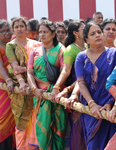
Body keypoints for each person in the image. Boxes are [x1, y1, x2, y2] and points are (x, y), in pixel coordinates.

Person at [75, 21, 116, 150]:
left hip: (110, 109)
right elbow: (81, 82)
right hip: (91, 110)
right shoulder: (81, 57)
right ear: (86, 39)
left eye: (99, 32)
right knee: (93, 144)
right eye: (93, 33)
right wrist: (92, 104)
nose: (98, 35)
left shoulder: (115, 54)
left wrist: (112, 103)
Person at [27, 20, 68, 150]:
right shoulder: (34, 51)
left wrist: (56, 88)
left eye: (45, 32)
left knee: (59, 130)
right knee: (42, 130)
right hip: (40, 96)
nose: (42, 34)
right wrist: (34, 89)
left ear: (53, 34)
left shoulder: (61, 49)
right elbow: (29, 72)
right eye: (40, 32)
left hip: (56, 95)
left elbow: (64, 71)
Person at [6, 16, 41, 149]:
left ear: (26, 28)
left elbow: (38, 66)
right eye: (16, 27)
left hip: (36, 83)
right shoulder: (11, 45)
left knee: (36, 117)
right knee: (21, 119)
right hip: (20, 88)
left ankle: (36, 144)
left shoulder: (36, 44)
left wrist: (26, 69)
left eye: (21, 26)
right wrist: (21, 82)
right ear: (13, 29)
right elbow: (15, 67)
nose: (19, 29)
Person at [56, 20, 87, 150]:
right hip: (76, 92)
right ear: (76, 33)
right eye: (83, 29)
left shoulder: (87, 47)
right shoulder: (71, 49)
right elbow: (66, 71)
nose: (86, 31)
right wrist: (57, 88)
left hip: (89, 92)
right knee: (77, 130)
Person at [0, 19, 15, 150]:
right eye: (2, 31)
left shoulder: (13, 44)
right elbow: (0, 67)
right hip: (3, 88)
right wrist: (8, 80)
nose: (6, 33)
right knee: (3, 118)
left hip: (16, 88)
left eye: (8, 30)